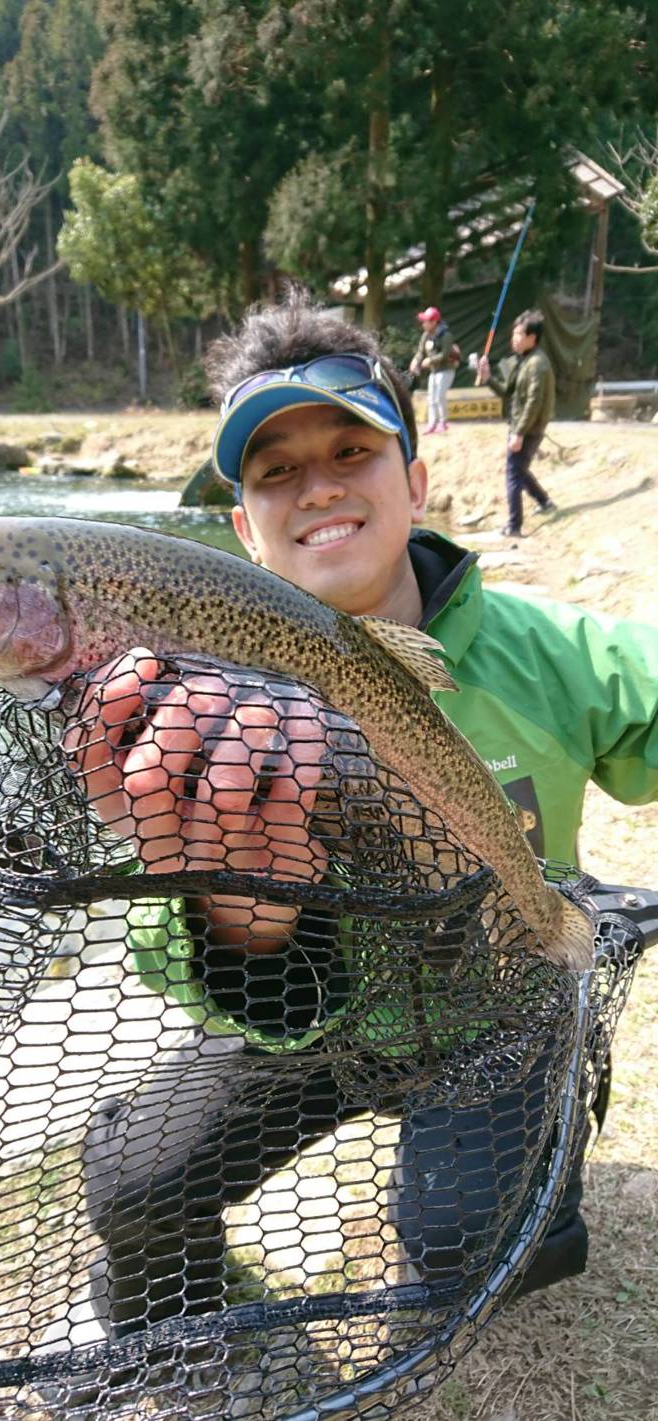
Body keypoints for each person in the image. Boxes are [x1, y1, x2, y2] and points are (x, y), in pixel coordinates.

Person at [65, 289, 658, 1366]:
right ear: (241, 525)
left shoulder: (552, 654)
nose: (318, 487)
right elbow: (167, 955)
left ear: (416, 482)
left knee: (469, 1244)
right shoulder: (186, 699)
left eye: (351, 448)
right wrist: (245, 919)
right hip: (315, 1025)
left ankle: (544, 1145)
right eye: (274, 470)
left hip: (497, 1013)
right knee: (132, 1182)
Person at [477, 308, 557, 538]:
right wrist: (487, 377)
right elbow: (506, 393)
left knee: (513, 473)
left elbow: (534, 402)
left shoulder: (538, 365)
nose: (514, 339)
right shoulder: (522, 361)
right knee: (519, 470)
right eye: (514, 334)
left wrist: (519, 433)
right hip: (520, 426)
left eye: (519, 334)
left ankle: (514, 525)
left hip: (529, 428)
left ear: (532, 337)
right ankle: (544, 501)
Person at [409, 304, 457, 434]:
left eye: (426, 321)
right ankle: (432, 424)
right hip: (434, 371)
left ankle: (443, 422)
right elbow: (420, 352)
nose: (424, 323)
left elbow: (445, 354)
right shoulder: (425, 335)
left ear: (434, 322)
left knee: (439, 396)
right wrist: (415, 361)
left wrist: (430, 360)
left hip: (446, 370)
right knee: (431, 397)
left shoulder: (445, 335)